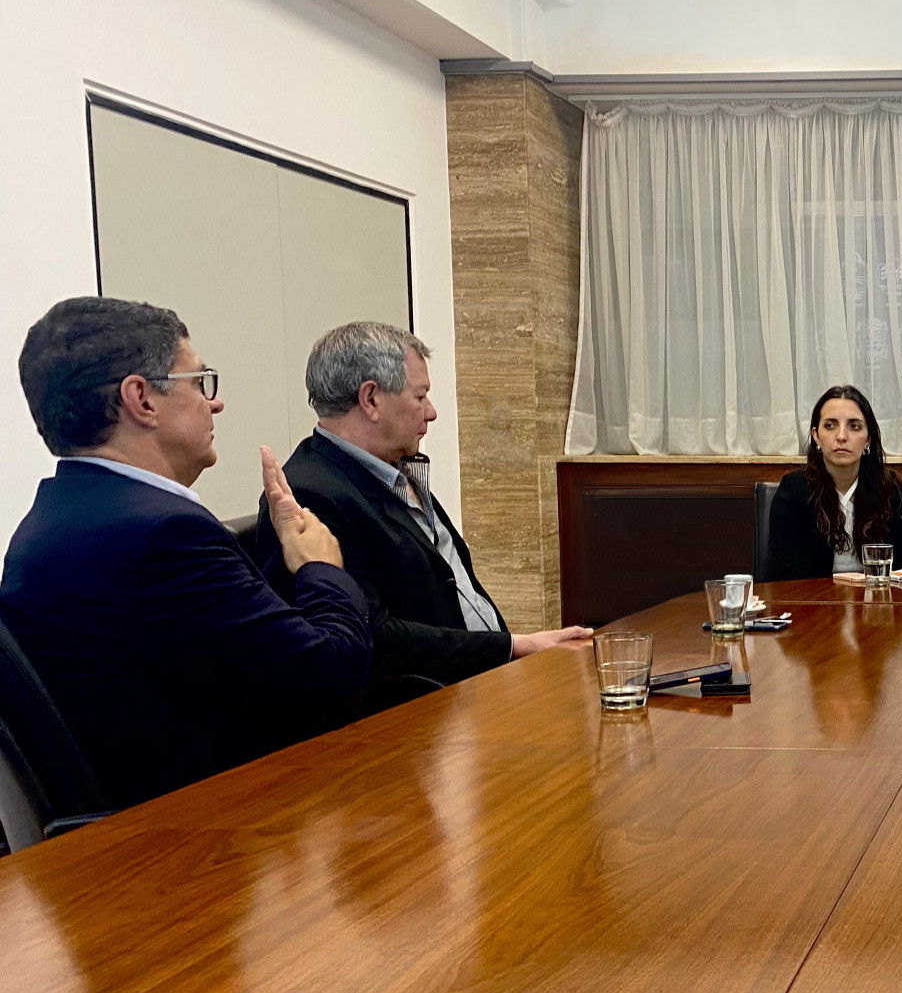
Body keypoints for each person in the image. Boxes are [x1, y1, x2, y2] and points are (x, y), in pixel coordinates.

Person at [0, 297, 370, 808]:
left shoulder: (54, 519)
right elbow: (334, 675)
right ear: (142, 400)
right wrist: (320, 565)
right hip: (216, 832)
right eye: (199, 382)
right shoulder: (161, 536)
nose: (214, 403)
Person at [255, 323, 589, 690]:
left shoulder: (394, 469)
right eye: (420, 397)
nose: (431, 413)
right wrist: (513, 647)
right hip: (423, 709)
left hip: (484, 681)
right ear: (370, 399)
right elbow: (371, 634)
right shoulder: (311, 494)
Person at [765, 385, 902, 582]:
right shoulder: (793, 491)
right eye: (830, 425)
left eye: (854, 426)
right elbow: (793, 577)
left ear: (868, 439)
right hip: (811, 607)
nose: (842, 436)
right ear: (816, 435)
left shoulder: (890, 492)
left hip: (876, 606)